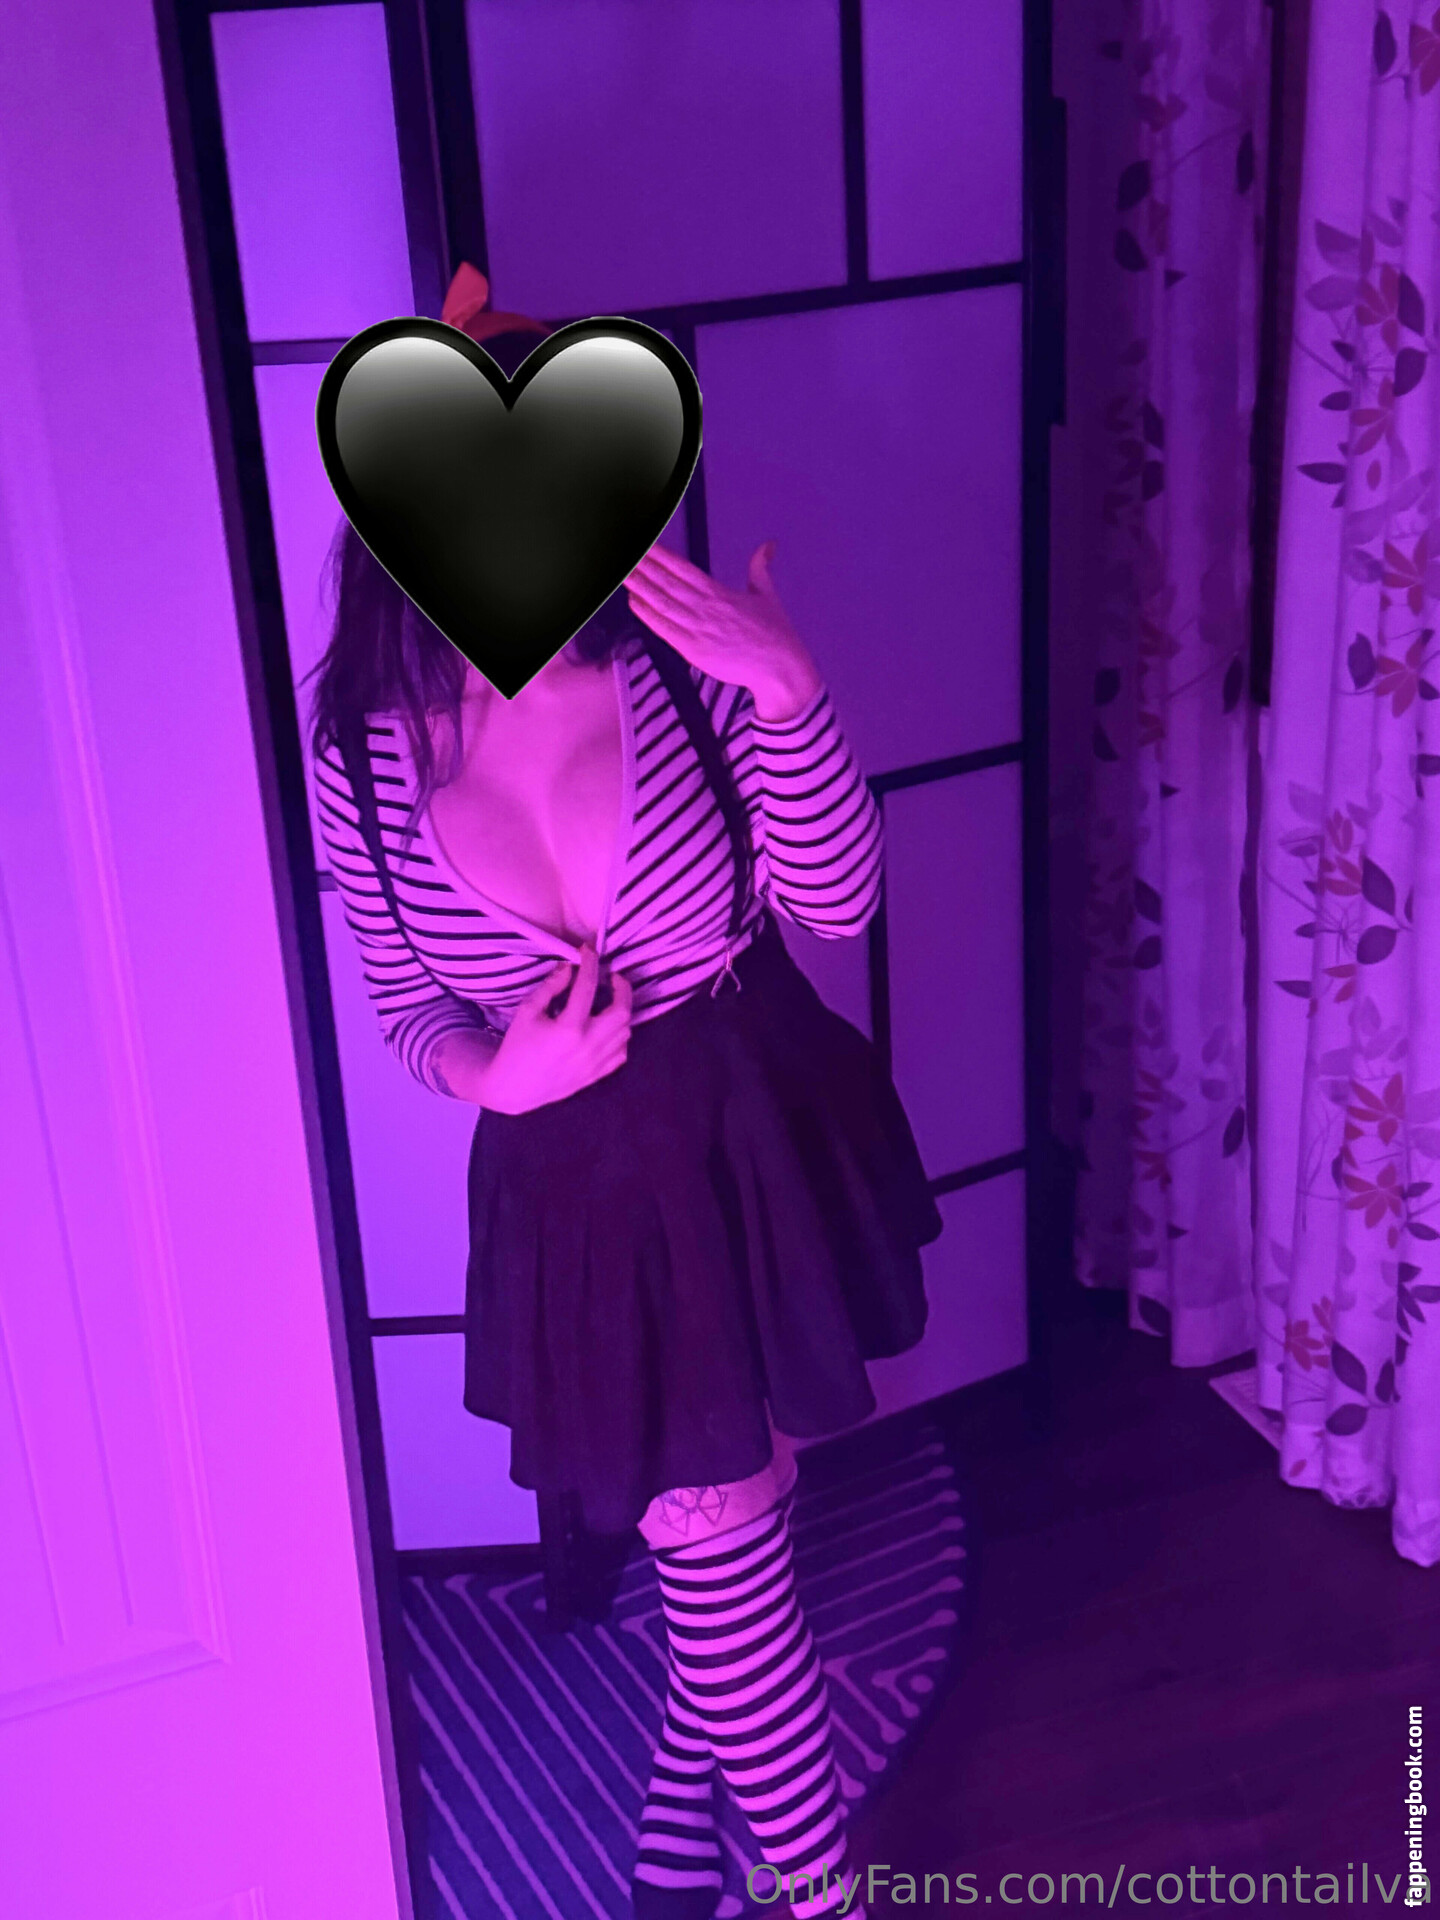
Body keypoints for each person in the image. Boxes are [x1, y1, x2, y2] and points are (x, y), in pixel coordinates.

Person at [307, 264, 943, 1920]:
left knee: (729, 1508)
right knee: (709, 1526)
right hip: (578, 1185)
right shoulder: (358, 762)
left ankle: (693, 1790)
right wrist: (494, 1071)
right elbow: (404, 1006)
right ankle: (817, 1887)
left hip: (747, 1120)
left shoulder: (680, 667)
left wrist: (790, 693)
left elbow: (841, 908)